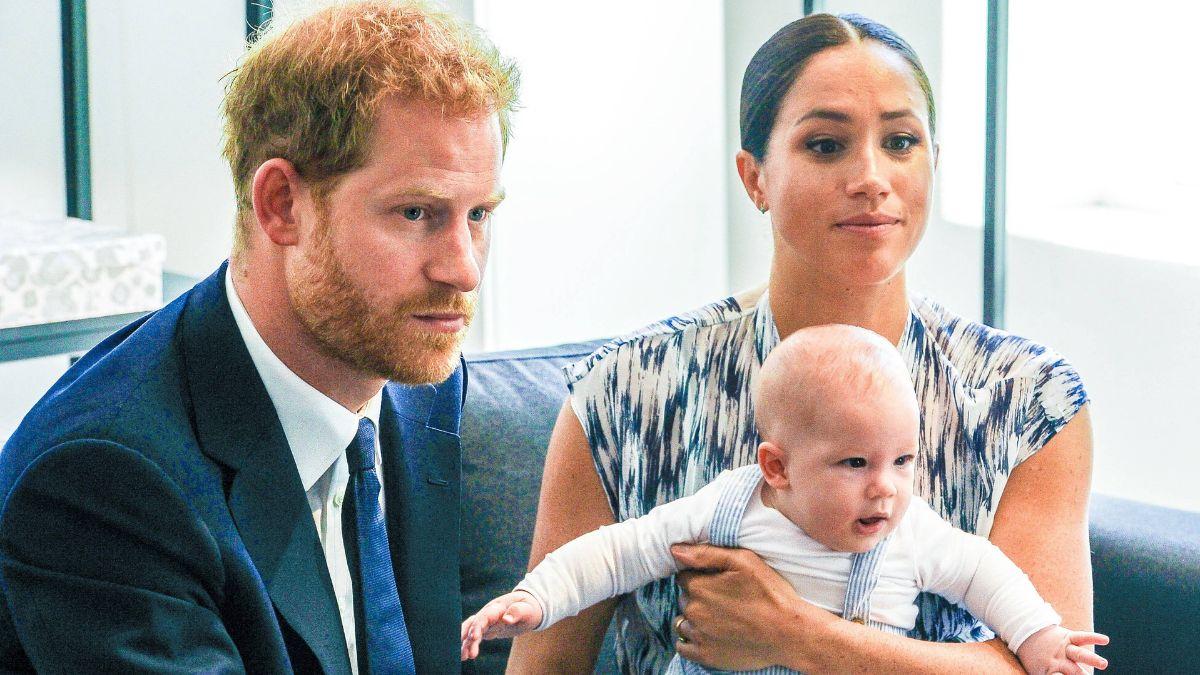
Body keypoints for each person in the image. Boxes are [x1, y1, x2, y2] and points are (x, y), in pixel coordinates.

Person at [509, 12, 1097, 674]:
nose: (871, 176)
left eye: (901, 141)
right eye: (825, 145)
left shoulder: (1025, 399)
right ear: (754, 177)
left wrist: (797, 634)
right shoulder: (625, 390)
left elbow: (1059, 667)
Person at [0, 1, 517, 672]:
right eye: (416, 212)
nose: (464, 270)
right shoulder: (104, 485)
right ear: (281, 205)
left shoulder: (418, 383)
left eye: (479, 214)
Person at [464, 326, 1109, 674]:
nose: (885, 487)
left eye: (903, 461)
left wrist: (1040, 637)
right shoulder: (729, 508)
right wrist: (537, 597)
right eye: (854, 464)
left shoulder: (910, 532)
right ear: (776, 468)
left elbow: (986, 576)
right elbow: (619, 552)